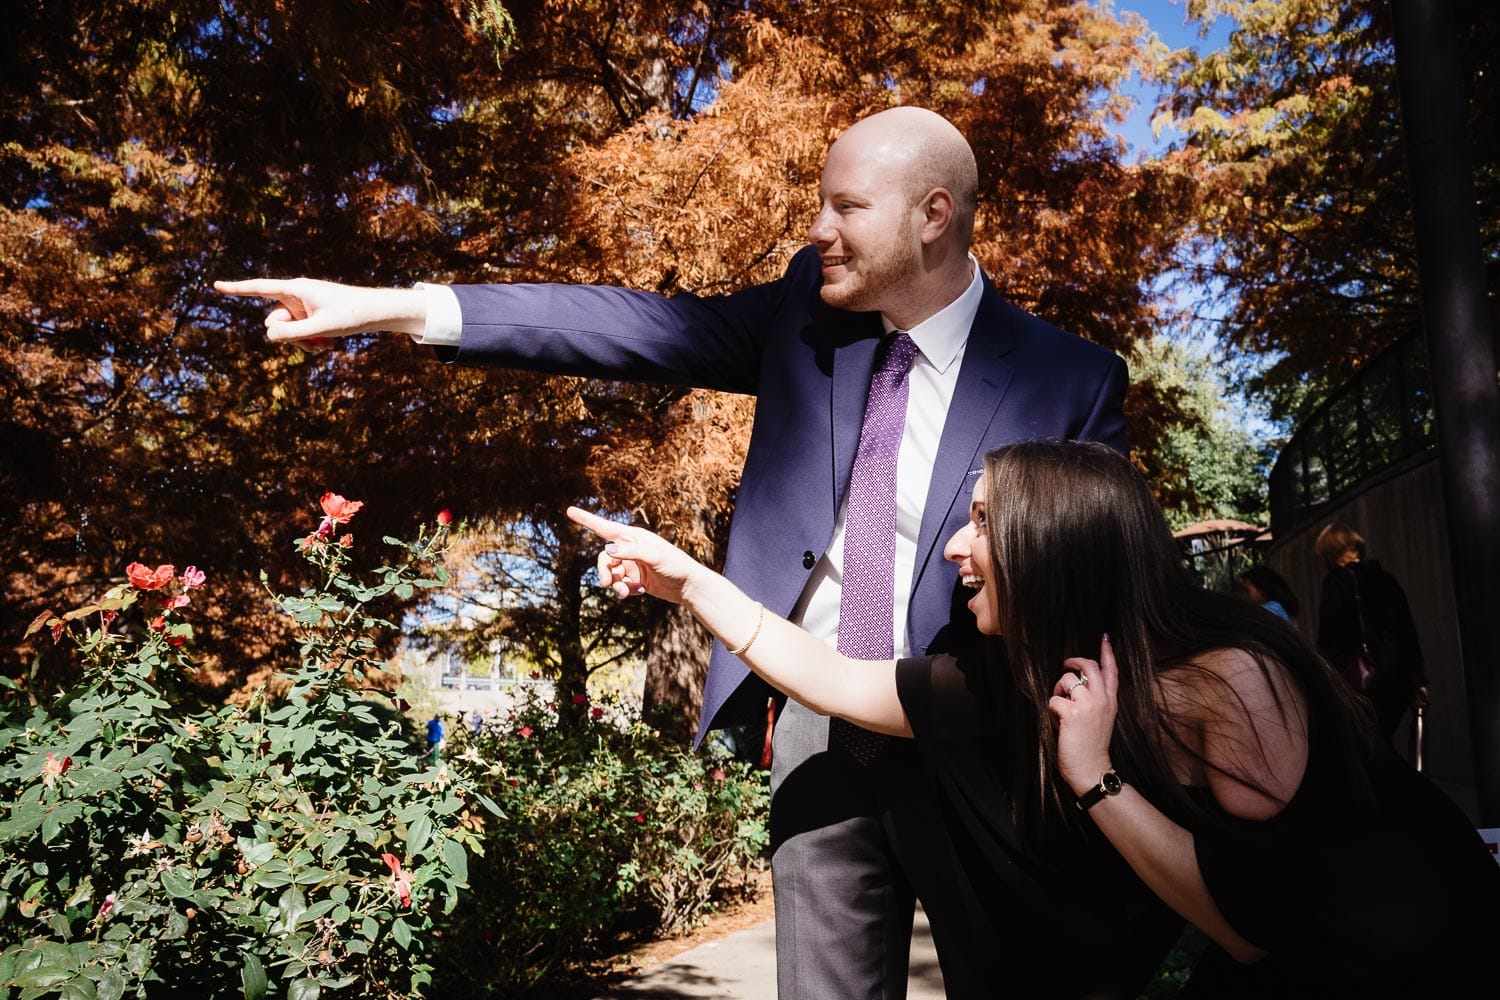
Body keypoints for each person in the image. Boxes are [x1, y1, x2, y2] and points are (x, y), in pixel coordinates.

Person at [217, 106, 1132, 998]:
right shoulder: (805, 322)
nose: (819, 229)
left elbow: (1085, 588)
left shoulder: (1070, 382)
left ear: (935, 214)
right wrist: (397, 307)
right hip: (818, 736)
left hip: (976, 737)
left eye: (846, 208)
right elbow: (631, 326)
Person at [569, 440, 1500, 999]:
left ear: (1053, 551)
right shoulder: (1024, 674)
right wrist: (688, 581)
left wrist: (1094, 775)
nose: (958, 548)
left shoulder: (1228, 679)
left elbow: (1252, 924)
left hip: (1403, 959)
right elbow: (831, 678)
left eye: (982, 522)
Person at [1313, 522, 1427, 740]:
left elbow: (1331, 638)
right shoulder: (1385, 579)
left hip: (1362, 681)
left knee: (1362, 747)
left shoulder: (1337, 583)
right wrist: (1418, 679)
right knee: (1381, 740)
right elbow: (1406, 630)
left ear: (1329, 554)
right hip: (1398, 679)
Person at [1236, 564, 1300, 628]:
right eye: (1241, 592)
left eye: (1247, 591)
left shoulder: (1272, 610)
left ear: (1262, 590)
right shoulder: (1278, 608)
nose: (1243, 596)